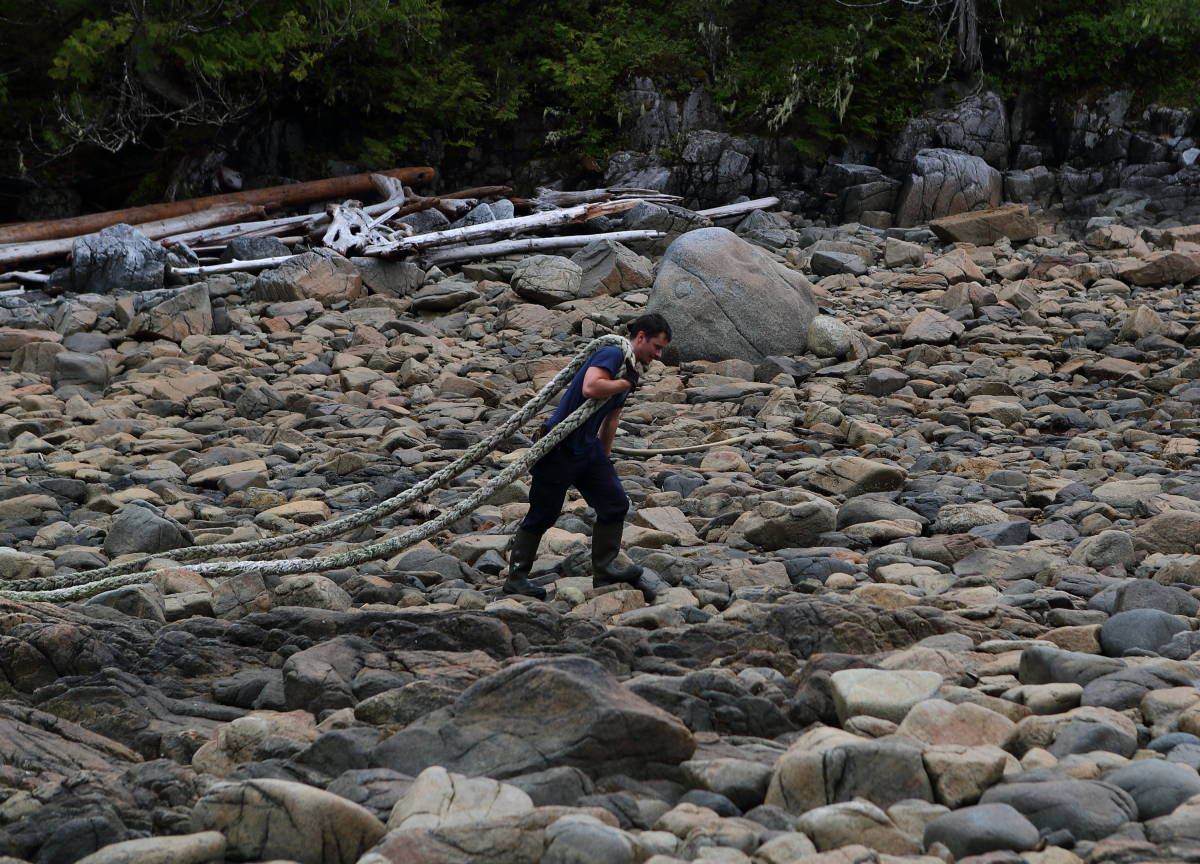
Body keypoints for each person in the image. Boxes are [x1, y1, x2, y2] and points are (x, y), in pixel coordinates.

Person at [503, 313, 674, 601]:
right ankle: (516, 578)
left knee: (615, 504)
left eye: (661, 350)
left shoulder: (628, 370)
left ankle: (604, 568)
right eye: (656, 347)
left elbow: (611, 419)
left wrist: (604, 460)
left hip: (588, 450)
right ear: (641, 337)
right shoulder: (612, 353)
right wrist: (626, 384)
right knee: (542, 515)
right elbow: (591, 387)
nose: (657, 355)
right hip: (559, 447)